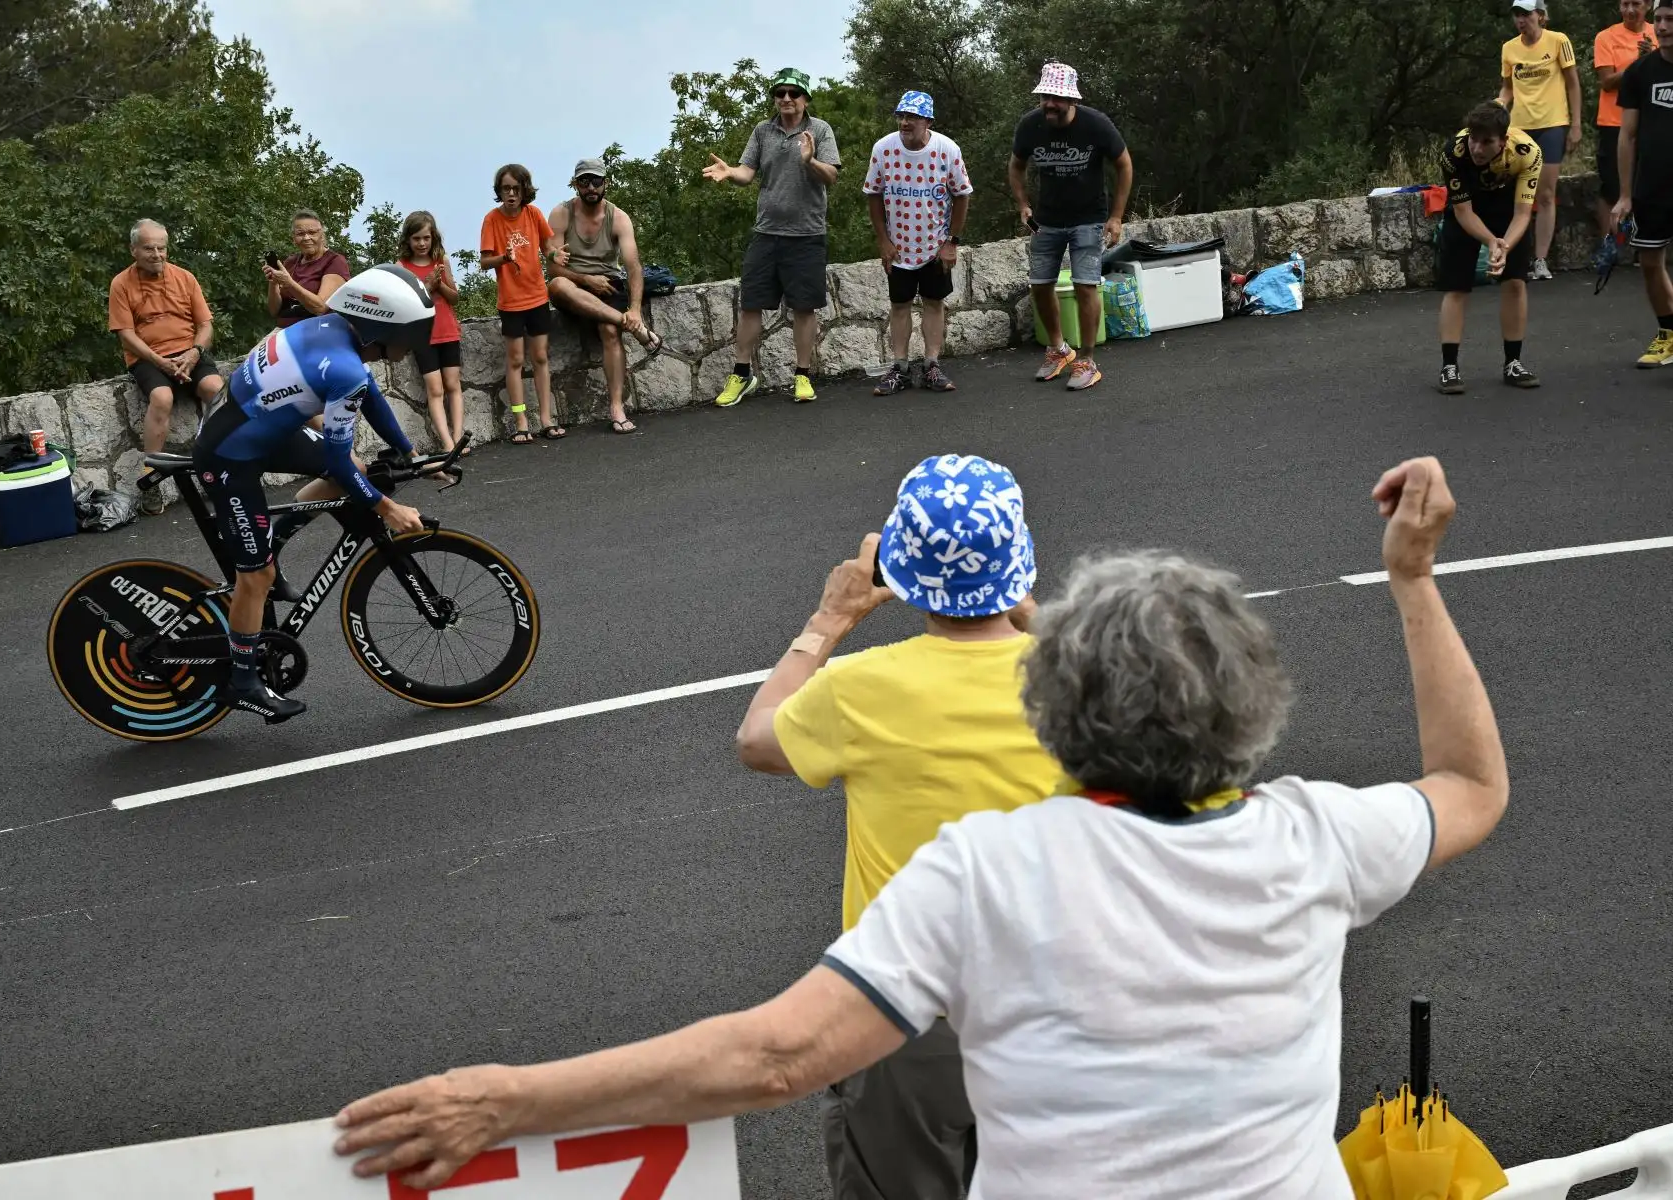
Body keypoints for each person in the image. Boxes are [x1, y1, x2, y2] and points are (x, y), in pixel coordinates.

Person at [334, 455, 1510, 1200]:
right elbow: (1469, 784)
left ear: (1065, 707)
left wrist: (506, 1101)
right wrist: (1413, 579)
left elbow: (769, 1056)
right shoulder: (1308, 841)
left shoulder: (986, 871)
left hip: (913, 1026)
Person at [736, 454, 1059, 1200]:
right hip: (1053, 1014)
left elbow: (757, 740)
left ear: (900, 564)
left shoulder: (859, 688)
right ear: (1018, 563)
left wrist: (831, 618)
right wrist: (1026, 605)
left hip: (904, 1020)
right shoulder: (1076, 680)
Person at [190, 265, 431, 721]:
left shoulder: (329, 329)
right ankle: (242, 679)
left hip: (254, 427)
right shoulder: (344, 368)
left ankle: (273, 544)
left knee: (355, 469)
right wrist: (388, 507)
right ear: (382, 327)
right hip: (228, 458)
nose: (413, 345)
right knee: (254, 579)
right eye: (410, 334)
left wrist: (410, 451)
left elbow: (370, 397)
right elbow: (339, 454)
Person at [701, 67, 841, 406]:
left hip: (807, 235)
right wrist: (730, 172)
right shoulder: (763, 131)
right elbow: (747, 173)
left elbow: (832, 176)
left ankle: (803, 376)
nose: (787, 99)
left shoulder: (819, 130)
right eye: (780, 93)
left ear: (806, 98)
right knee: (751, 305)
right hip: (766, 234)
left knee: (804, 308)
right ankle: (742, 374)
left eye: (794, 93)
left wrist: (809, 161)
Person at [1008, 61, 1133, 392]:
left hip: (1088, 218)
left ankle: (1087, 361)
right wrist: (1023, 205)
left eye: (1056, 98)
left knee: (1085, 285)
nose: (1049, 104)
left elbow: (1124, 165)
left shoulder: (1096, 125)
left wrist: (1116, 216)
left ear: (1072, 100)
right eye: (1045, 96)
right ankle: (1059, 349)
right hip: (1046, 220)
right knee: (1040, 285)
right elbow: (1016, 165)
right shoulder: (1030, 125)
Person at [108, 218, 225, 514]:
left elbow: (205, 324)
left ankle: (220, 467)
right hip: (149, 358)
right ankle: (152, 479)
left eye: (162, 248)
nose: (158, 255)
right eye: (149, 249)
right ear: (133, 249)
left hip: (190, 353)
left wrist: (195, 353)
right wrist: (159, 361)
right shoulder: (121, 283)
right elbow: (125, 334)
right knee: (162, 398)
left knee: (217, 390)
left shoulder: (185, 277)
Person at [864, 92, 973, 396]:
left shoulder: (947, 149)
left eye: (912, 117)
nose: (905, 122)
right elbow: (873, 193)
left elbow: (962, 194)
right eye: (901, 116)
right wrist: (883, 240)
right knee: (899, 305)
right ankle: (899, 367)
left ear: (928, 121)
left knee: (934, 302)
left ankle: (931, 365)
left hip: (934, 244)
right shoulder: (883, 149)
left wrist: (952, 241)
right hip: (898, 246)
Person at [545, 159, 666, 435]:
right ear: (575, 184)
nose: (591, 187)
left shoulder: (618, 217)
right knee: (557, 286)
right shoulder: (561, 214)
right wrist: (587, 279)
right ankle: (639, 332)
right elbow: (553, 268)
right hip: (574, 284)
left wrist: (634, 309)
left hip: (609, 283)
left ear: (605, 184)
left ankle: (616, 408)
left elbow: (633, 266)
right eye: (584, 181)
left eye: (596, 181)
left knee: (610, 331)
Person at [1435, 101, 1543, 394]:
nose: (1477, 148)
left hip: (1507, 209)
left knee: (1516, 283)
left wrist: (1505, 245)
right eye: (1473, 138)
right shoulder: (1453, 152)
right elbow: (1464, 213)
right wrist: (1491, 241)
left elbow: (1523, 214)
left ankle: (1513, 363)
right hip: (1468, 208)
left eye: (1486, 142)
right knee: (1457, 287)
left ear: (1503, 141)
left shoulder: (1528, 153)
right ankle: (1449, 367)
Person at [480, 164, 567, 445]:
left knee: (540, 357)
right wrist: (503, 258)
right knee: (516, 360)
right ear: (499, 191)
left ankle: (546, 418)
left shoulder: (533, 214)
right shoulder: (492, 220)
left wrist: (555, 257)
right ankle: (520, 422)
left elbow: (547, 248)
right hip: (511, 301)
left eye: (516, 188)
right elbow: (484, 262)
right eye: (506, 188)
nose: (511, 194)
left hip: (537, 297)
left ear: (524, 190)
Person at [1498, 0, 1580, 280]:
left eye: (1526, 14)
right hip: (1519, 127)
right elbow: (1508, 88)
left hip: (1552, 124)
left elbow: (1572, 83)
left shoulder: (1558, 41)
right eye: (1517, 16)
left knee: (1545, 194)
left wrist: (1576, 124)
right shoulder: (1509, 48)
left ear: (1541, 16)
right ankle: (1512, 257)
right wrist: (1498, 105)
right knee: (1516, 194)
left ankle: (1541, 260)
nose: (1521, 20)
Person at [1614, 0, 1673, 368]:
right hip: (1652, 186)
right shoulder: (1640, 72)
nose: (1664, 26)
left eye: (1671, 20)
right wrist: (1623, 194)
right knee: (1650, 262)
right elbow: (1627, 136)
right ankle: (1667, 334)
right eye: (1661, 19)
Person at [395, 210, 466, 452]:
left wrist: (440, 285)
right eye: (416, 239)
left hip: (447, 330)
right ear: (408, 240)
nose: (422, 243)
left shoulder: (442, 261)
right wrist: (426, 287)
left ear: (433, 237)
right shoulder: (401, 267)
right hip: (423, 335)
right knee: (435, 389)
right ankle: (447, 443)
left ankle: (458, 438)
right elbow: (405, 305)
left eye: (426, 238)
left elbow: (455, 298)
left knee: (453, 384)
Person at [1594, 0, 1658, 243]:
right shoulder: (1606, 37)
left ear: (1649, 6)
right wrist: (1640, 62)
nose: (1630, 10)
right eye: (1625, 4)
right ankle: (1609, 246)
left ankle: (1644, 243)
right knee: (1612, 187)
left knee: (1648, 185)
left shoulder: (1659, 32)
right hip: (1614, 122)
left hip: (1650, 121)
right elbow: (1607, 82)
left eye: (1637, 4)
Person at [265, 209, 351, 329]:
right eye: (300, 234)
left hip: (318, 329)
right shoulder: (290, 262)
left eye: (312, 232)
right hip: (284, 330)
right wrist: (273, 282)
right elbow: (274, 311)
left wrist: (289, 283)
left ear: (321, 235)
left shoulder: (335, 261)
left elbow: (320, 308)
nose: (306, 238)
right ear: (294, 238)